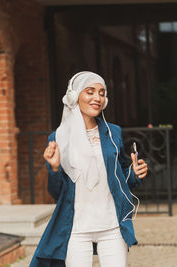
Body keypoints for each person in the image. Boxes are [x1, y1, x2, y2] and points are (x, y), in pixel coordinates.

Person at [30, 71, 148, 267]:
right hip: (76, 228)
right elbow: (56, 192)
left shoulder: (113, 133)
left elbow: (118, 178)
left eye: (102, 93)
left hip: (111, 225)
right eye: (90, 92)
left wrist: (134, 174)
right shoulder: (57, 138)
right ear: (74, 96)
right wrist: (54, 168)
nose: (97, 98)